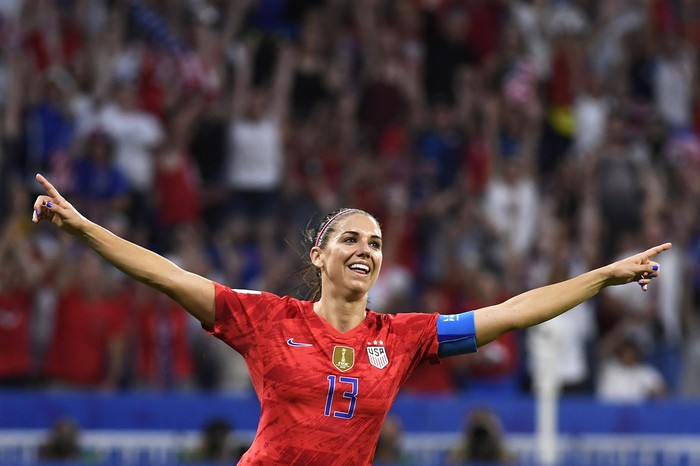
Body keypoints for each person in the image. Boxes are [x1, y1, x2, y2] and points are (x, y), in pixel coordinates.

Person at [31, 173, 671, 466]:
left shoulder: (403, 339)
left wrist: (603, 277)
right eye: (351, 239)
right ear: (320, 255)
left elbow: (507, 315)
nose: (366, 249)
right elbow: (166, 275)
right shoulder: (264, 319)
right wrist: (83, 227)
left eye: (376, 242)